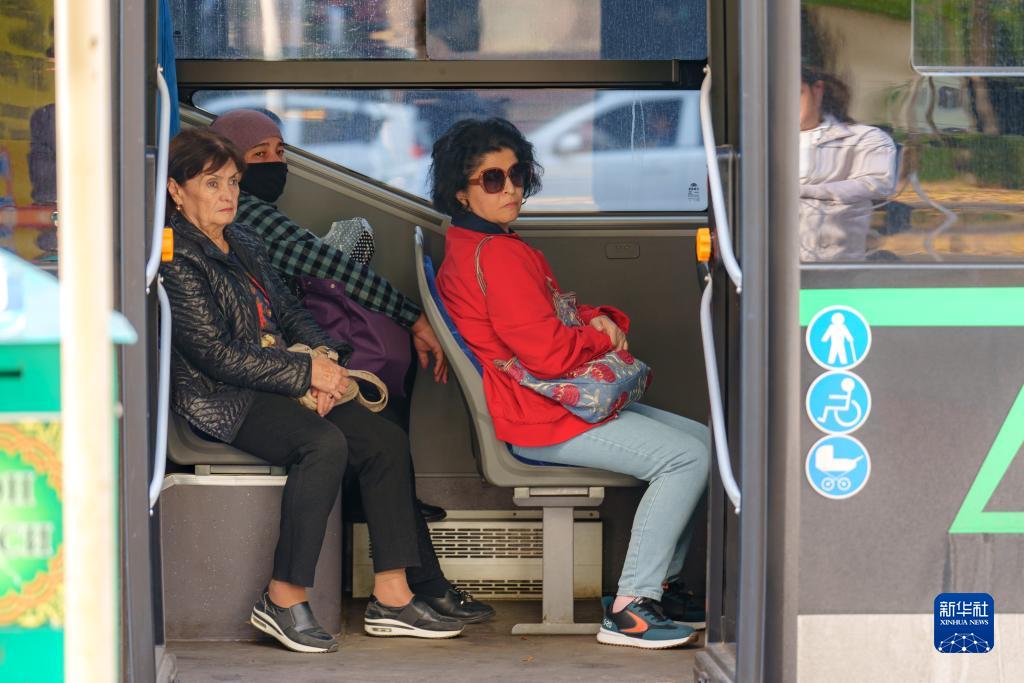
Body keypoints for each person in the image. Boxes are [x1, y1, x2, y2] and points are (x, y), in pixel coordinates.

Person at [160, 129, 492, 654]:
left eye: (233, 182)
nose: (228, 194)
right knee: (323, 443)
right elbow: (215, 356)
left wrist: (327, 362)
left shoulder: (244, 240)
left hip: (281, 379)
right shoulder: (177, 257)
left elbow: (293, 312)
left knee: (383, 441)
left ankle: (393, 596)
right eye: (212, 183)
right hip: (222, 397)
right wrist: (305, 375)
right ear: (177, 191)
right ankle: (283, 597)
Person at [432, 118, 710, 650]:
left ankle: (663, 587)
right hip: (540, 417)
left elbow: (542, 319)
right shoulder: (497, 255)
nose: (511, 188)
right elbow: (549, 353)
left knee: (701, 441)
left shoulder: (478, 243)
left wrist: (591, 317)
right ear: (460, 191)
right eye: (492, 179)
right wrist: (601, 335)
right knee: (687, 458)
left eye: (517, 174)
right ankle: (632, 607)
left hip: (539, 407)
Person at [209, 108, 448, 522]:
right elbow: (329, 266)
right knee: (385, 358)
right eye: (259, 154)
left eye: (280, 152)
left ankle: (380, 495)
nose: (274, 163)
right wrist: (413, 317)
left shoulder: (252, 210)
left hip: (287, 341)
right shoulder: (248, 212)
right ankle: (379, 496)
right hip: (263, 365)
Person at [800, 66, 897, 261]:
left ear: (817, 90)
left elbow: (876, 184)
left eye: (794, 94)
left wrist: (805, 191)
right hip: (765, 263)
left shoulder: (865, 138)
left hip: (836, 266)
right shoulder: (759, 144)